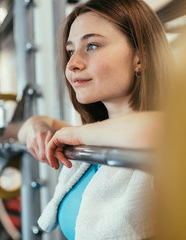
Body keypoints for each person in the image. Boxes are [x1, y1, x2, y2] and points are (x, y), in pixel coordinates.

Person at [17, 0, 174, 239]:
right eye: (71, 51)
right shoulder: (95, 137)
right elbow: (26, 128)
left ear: (140, 56)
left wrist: (77, 134)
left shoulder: (165, 134)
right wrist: (36, 126)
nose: (72, 64)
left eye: (91, 46)